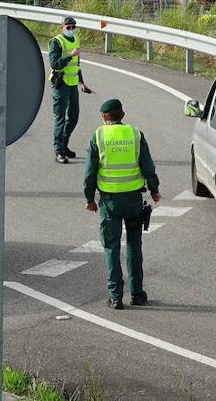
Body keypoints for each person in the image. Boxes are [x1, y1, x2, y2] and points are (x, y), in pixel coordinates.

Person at [84, 98, 160, 310]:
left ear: (104, 117)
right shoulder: (135, 134)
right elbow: (148, 165)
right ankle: (136, 293)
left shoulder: (98, 136)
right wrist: (154, 189)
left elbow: (90, 172)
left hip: (110, 203)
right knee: (134, 246)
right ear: (122, 115)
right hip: (134, 200)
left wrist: (89, 199)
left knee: (111, 247)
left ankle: (115, 296)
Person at [48, 15, 92, 164]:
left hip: (73, 84)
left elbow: (77, 64)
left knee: (74, 117)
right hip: (61, 85)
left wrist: (82, 82)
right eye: (68, 27)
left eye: (74, 27)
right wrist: (70, 55)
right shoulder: (56, 42)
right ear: (63, 27)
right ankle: (58, 151)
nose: (71, 30)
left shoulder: (77, 39)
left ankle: (64, 145)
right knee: (60, 119)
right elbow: (54, 64)